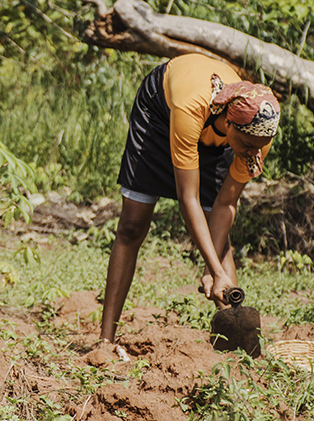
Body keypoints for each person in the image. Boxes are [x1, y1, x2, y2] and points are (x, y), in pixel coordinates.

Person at [100, 53, 280, 344]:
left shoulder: (258, 135)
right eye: (246, 146)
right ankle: (105, 341)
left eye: (258, 149)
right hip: (161, 114)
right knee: (132, 224)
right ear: (229, 124)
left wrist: (214, 271)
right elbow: (188, 199)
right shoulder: (190, 108)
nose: (251, 154)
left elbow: (226, 204)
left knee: (220, 244)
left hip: (214, 131)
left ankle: (235, 348)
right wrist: (216, 270)